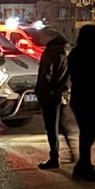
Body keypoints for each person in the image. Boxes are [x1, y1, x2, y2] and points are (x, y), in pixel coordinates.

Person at [67, 24, 95, 181]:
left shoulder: (82, 52)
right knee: (87, 133)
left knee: (89, 133)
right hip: (85, 99)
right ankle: (83, 167)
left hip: (89, 98)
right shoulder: (83, 53)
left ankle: (84, 166)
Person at [35, 29, 74, 169]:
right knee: (60, 124)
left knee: (51, 126)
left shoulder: (51, 52)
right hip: (63, 93)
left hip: (50, 94)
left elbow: (46, 73)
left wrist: (40, 91)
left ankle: (54, 158)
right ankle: (71, 150)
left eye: (41, 36)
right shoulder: (68, 50)